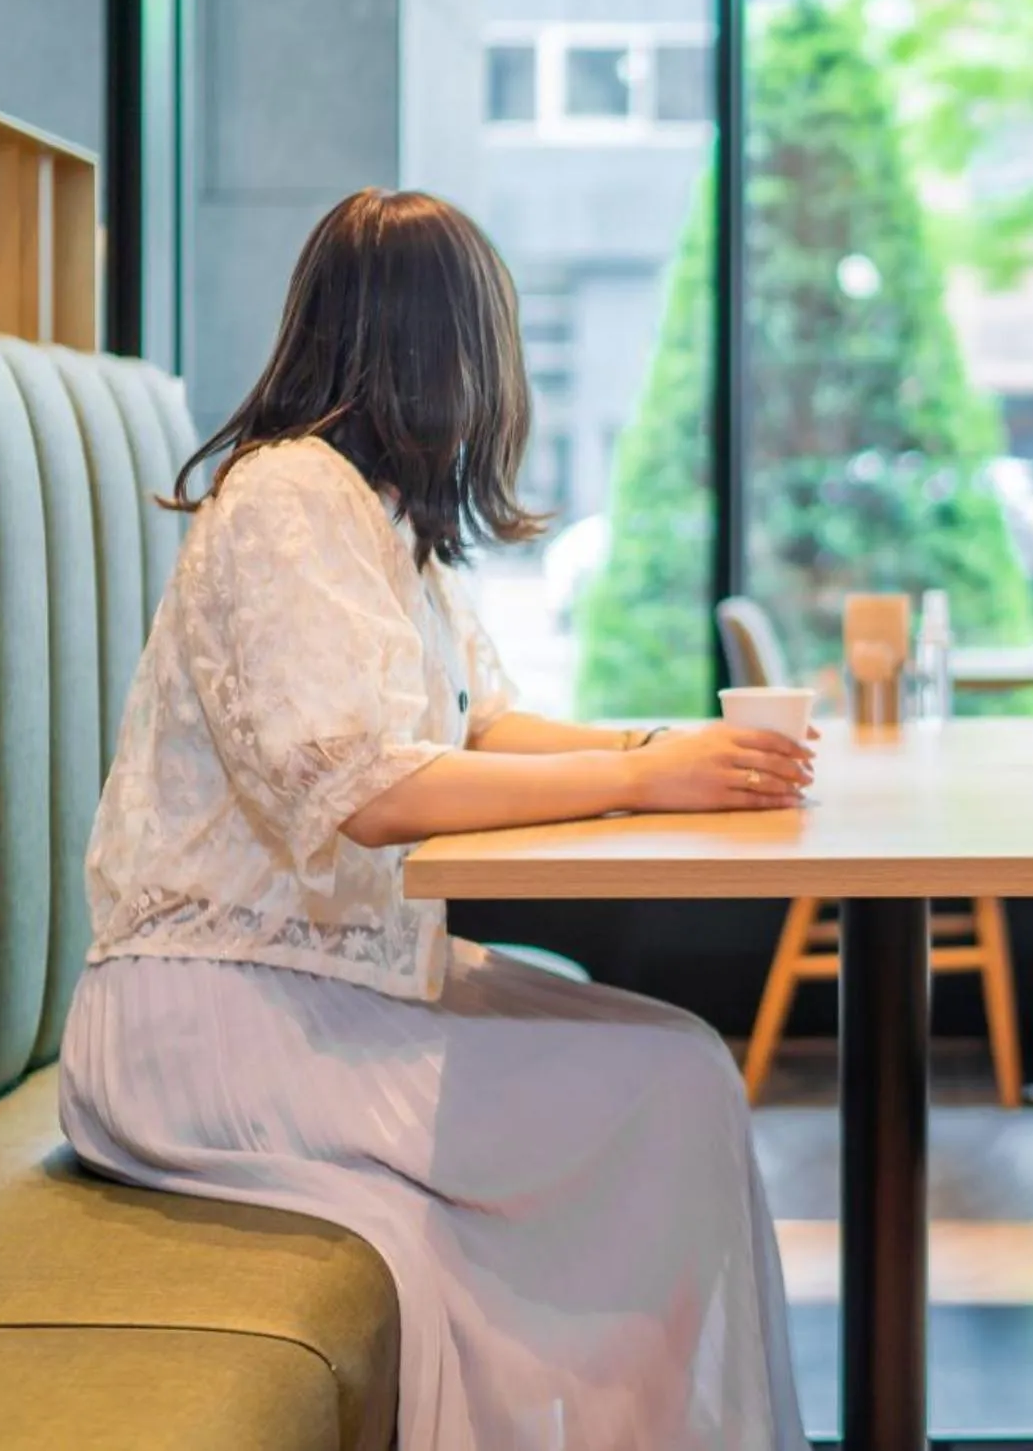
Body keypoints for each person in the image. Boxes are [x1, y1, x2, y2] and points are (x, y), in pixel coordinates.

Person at [57, 188, 812, 1451]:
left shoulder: (383, 518)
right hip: (207, 1022)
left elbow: (484, 726)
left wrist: (673, 750)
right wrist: (647, 777)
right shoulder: (285, 499)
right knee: (671, 1086)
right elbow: (370, 791)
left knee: (680, 1062)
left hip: (325, 990)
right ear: (442, 347)